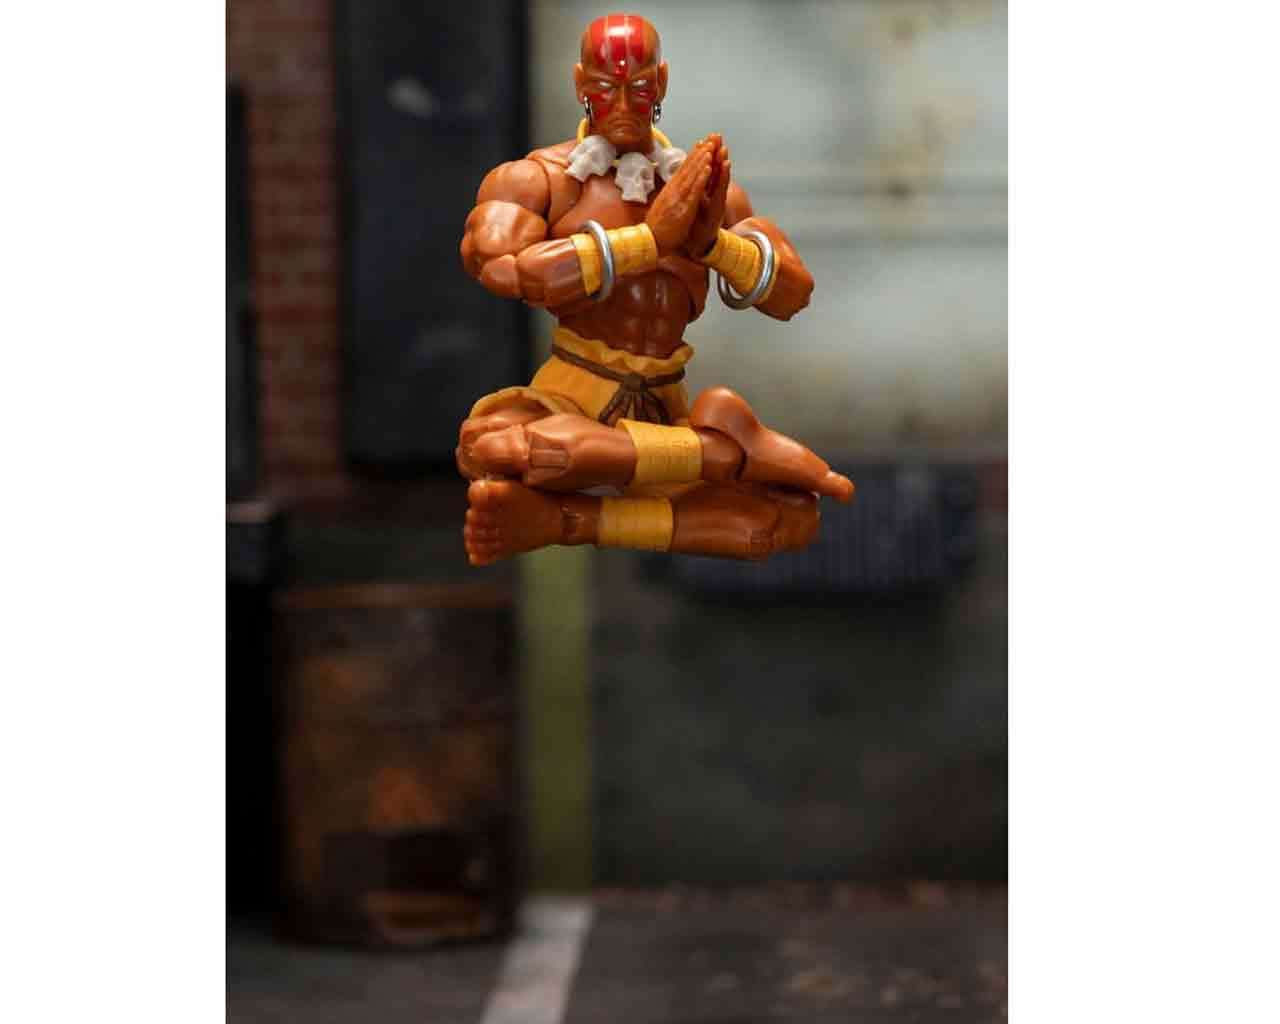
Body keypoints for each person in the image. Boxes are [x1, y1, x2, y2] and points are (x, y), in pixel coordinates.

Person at [457, 13, 853, 566]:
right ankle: (720, 452)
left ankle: (569, 521)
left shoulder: (702, 189)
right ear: (579, 84)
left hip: (665, 401)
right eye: (604, 87)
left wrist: (712, 245)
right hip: (573, 389)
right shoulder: (539, 179)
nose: (622, 104)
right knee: (497, 450)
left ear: (661, 83)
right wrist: (646, 240)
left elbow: (793, 293)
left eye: (639, 88)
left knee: (783, 522)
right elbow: (501, 267)